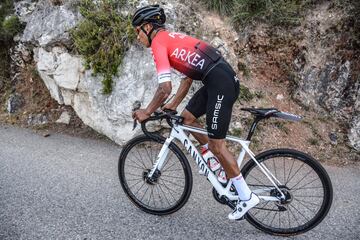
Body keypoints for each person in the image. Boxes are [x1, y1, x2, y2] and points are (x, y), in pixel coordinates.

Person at [131, 5, 259, 220]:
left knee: (218, 144)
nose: (137, 37)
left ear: (147, 27)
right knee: (187, 118)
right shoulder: (172, 38)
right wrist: (173, 105)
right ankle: (212, 159)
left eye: (137, 31)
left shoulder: (159, 43)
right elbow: (187, 77)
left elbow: (164, 88)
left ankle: (246, 197)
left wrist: (147, 111)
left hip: (220, 83)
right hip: (216, 79)